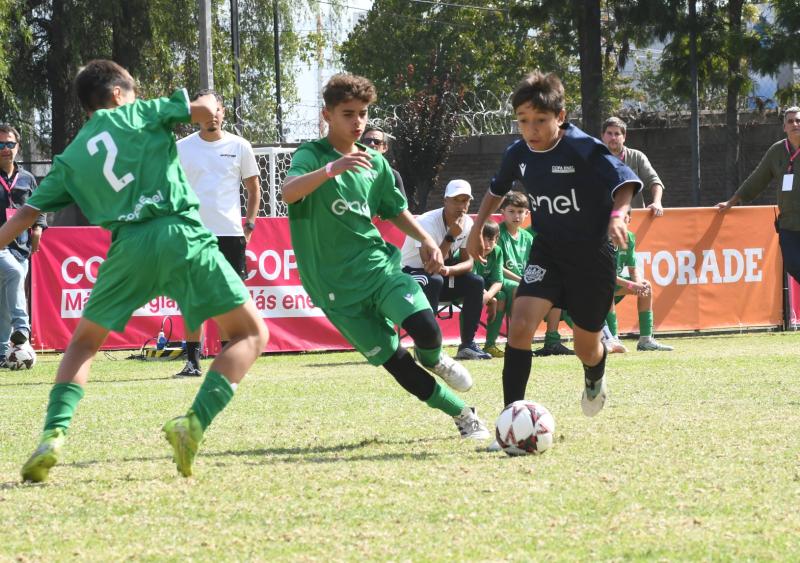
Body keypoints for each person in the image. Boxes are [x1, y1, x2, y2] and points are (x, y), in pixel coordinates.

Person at [1, 60, 268, 482]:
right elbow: (201, 112)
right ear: (117, 94)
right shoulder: (137, 113)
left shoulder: (69, 159)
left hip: (127, 247)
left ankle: (53, 434)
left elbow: (21, 218)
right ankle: (192, 425)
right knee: (251, 334)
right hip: (180, 232)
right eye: (134, 91)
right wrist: (208, 109)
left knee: (84, 344)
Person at [281, 73, 489, 441]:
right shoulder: (310, 155)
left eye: (362, 113)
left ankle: (435, 358)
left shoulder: (374, 164)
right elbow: (289, 193)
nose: (357, 122)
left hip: (378, 268)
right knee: (397, 365)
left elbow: (393, 209)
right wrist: (331, 169)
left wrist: (425, 237)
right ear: (327, 115)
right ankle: (463, 414)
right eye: (348, 113)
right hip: (335, 290)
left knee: (426, 326)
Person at [465, 70, 641, 434]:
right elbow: (496, 190)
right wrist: (476, 229)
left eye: (540, 120)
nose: (531, 129)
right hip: (547, 252)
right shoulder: (518, 152)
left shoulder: (582, 146)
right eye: (523, 121)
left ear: (560, 117)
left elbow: (625, 184)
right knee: (521, 328)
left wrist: (618, 216)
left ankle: (595, 373)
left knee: (585, 346)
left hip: (592, 257)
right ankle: (509, 421)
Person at [174, 89, 261, 377]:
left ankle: (227, 358)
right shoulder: (181, 148)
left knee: (229, 300)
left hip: (230, 234)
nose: (213, 117)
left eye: (217, 111)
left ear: (223, 112)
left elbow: (253, 188)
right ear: (196, 115)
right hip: (193, 235)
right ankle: (192, 362)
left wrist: (249, 224)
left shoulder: (240, 146)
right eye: (206, 112)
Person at [400, 179, 492, 360]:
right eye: (456, 200)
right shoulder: (426, 221)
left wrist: (449, 271)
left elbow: (469, 263)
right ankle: (428, 347)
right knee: (434, 280)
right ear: (445, 201)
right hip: (410, 275)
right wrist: (450, 236)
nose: (461, 205)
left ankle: (467, 346)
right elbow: (430, 266)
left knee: (476, 282)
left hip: (440, 276)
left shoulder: (467, 223)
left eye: (465, 200)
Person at [717, 106, 800, 286]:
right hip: (789, 225)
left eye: (798, 121)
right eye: (791, 121)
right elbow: (757, 179)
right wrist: (732, 201)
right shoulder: (777, 151)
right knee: (793, 265)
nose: (795, 124)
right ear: (784, 127)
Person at [0, 123, 47, 366]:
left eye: (9, 144)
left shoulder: (28, 179)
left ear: (17, 146)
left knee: (4, 303)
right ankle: (23, 328)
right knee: (14, 274)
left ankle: (1, 354)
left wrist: (38, 228)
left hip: (21, 246)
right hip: (0, 246)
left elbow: (38, 208)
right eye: (0, 145)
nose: (5, 149)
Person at [605, 210, 673, 351]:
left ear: (629, 220)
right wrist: (632, 284)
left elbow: (633, 268)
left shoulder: (629, 238)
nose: (620, 223)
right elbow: (606, 276)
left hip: (615, 283)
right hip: (593, 289)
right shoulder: (602, 240)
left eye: (625, 219)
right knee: (607, 287)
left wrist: (639, 283)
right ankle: (613, 339)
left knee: (646, 286)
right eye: (617, 219)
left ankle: (645, 340)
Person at [602, 116, 665, 217]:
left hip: (635, 218)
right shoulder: (595, 159)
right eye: (609, 133)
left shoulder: (637, 156)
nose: (613, 137)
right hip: (604, 220)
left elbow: (655, 181)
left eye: (617, 134)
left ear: (624, 137)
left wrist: (657, 202)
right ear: (603, 136)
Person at [468, 220, 506, 357]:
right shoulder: (470, 249)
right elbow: (471, 280)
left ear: (497, 239)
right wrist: (490, 299)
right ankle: (467, 344)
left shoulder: (497, 251)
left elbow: (498, 281)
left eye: (491, 240)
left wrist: (490, 297)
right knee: (474, 297)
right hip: (463, 287)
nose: (487, 245)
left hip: (483, 291)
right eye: (483, 240)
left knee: (501, 296)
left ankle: (490, 344)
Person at [361, 125, 406, 199]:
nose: (372, 144)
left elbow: (402, 207)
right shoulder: (352, 170)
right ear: (361, 145)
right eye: (367, 141)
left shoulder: (393, 175)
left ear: (384, 148)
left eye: (377, 142)